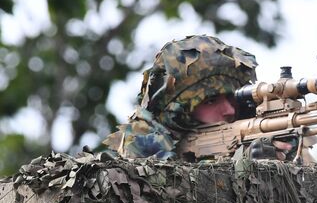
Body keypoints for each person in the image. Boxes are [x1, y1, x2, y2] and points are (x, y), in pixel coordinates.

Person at [103, 35, 293, 161]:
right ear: (178, 110)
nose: (229, 110)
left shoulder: (249, 133)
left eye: (232, 97)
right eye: (210, 101)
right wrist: (242, 166)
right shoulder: (142, 141)